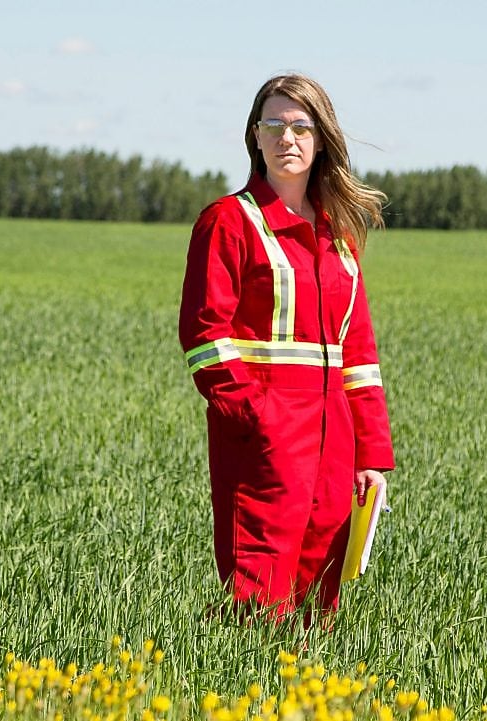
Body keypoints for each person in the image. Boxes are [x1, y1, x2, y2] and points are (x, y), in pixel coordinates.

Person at [178, 73, 395, 625]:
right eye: (273, 125)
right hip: (263, 437)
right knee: (258, 587)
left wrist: (371, 456)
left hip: (335, 441)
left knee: (321, 593)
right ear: (254, 136)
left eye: (301, 126)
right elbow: (206, 338)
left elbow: (360, 356)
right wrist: (258, 417)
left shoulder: (338, 235)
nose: (287, 138)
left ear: (321, 139)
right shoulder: (228, 222)